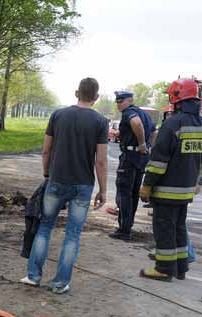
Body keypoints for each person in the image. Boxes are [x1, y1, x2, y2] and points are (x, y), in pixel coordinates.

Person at [21, 77, 108, 294]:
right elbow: (101, 161)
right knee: (72, 235)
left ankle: (33, 276)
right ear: (96, 97)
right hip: (82, 185)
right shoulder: (100, 122)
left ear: (76, 93)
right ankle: (60, 284)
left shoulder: (58, 115)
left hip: (56, 181)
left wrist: (47, 173)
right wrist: (103, 190)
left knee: (44, 227)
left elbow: (46, 151)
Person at [139, 79, 202, 281]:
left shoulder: (173, 122)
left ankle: (164, 269)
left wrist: (147, 185)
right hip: (186, 189)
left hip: (167, 189)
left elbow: (159, 160)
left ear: (176, 97)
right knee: (179, 227)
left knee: (164, 228)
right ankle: (180, 267)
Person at [109, 91, 157, 241]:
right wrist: (149, 147)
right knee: (133, 193)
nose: (118, 104)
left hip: (130, 158)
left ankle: (124, 230)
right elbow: (154, 131)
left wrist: (142, 143)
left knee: (124, 193)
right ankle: (127, 227)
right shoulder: (144, 113)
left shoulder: (129, 112)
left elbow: (136, 123)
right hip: (141, 158)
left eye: (121, 101)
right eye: (117, 101)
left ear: (129, 100)